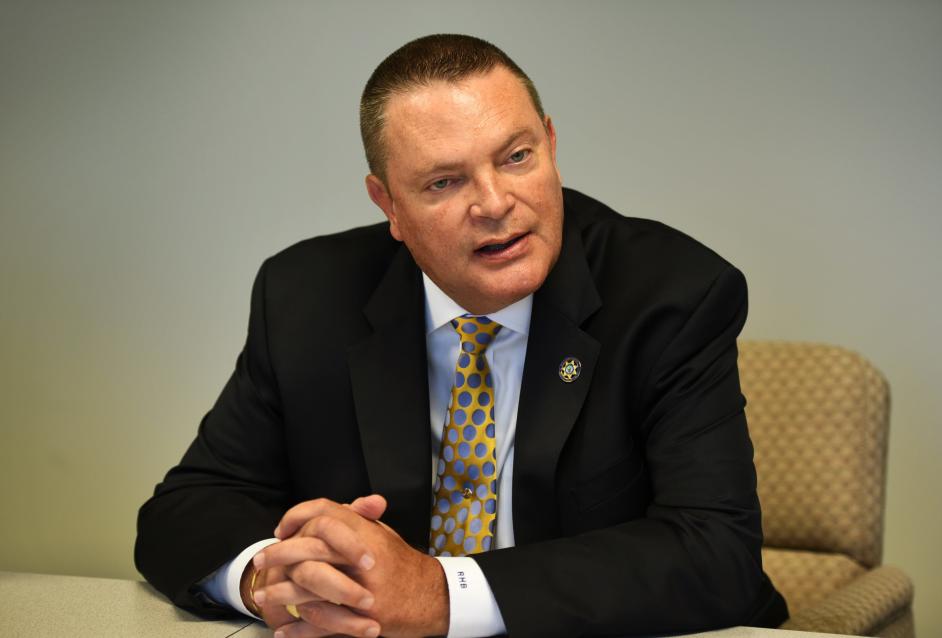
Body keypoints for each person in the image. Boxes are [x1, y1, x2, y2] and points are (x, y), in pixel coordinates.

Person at [136, 34, 788, 638]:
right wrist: (268, 577)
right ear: (388, 204)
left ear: (551, 145)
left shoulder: (672, 294)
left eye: (517, 157)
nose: (496, 202)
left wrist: (439, 592)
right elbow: (186, 509)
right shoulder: (305, 297)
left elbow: (714, 552)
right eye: (445, 182)